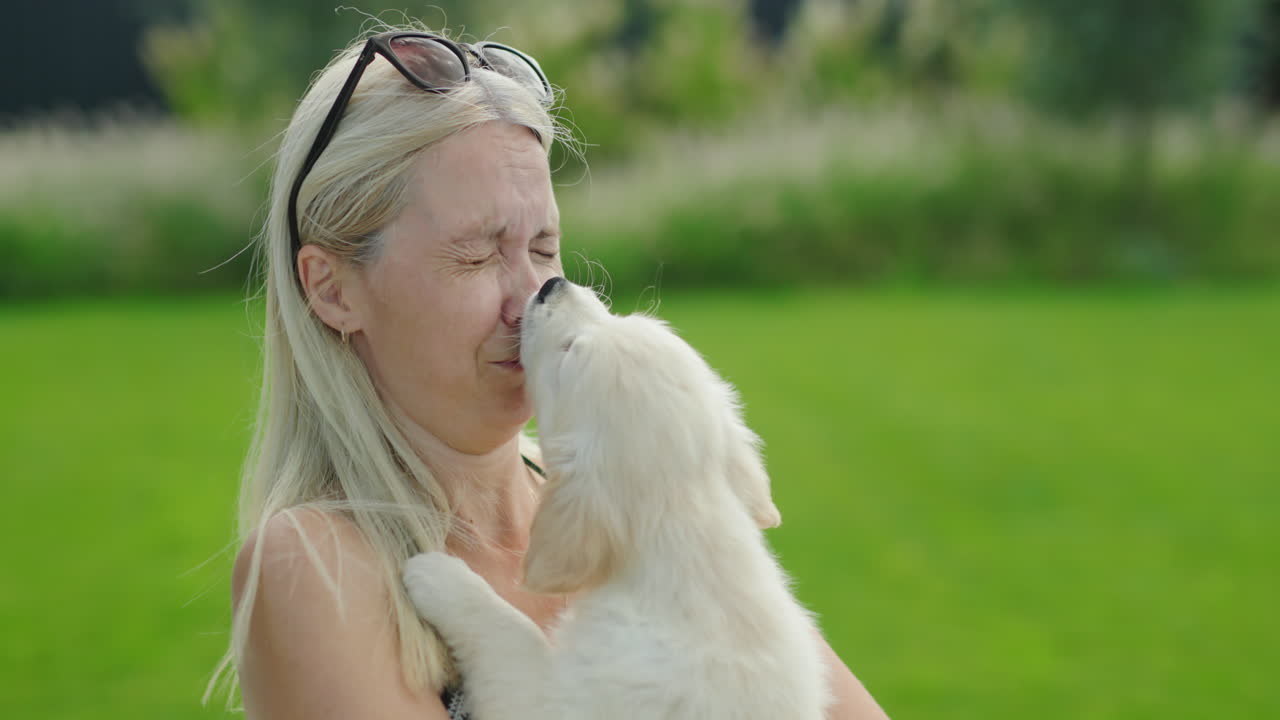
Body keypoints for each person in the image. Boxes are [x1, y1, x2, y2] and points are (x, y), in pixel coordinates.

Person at [209, 22, 890, 720]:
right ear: (331, 289)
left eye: (542, 245)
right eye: (475, 255)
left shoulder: (640, 493)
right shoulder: (314, 566)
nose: (527, 294)